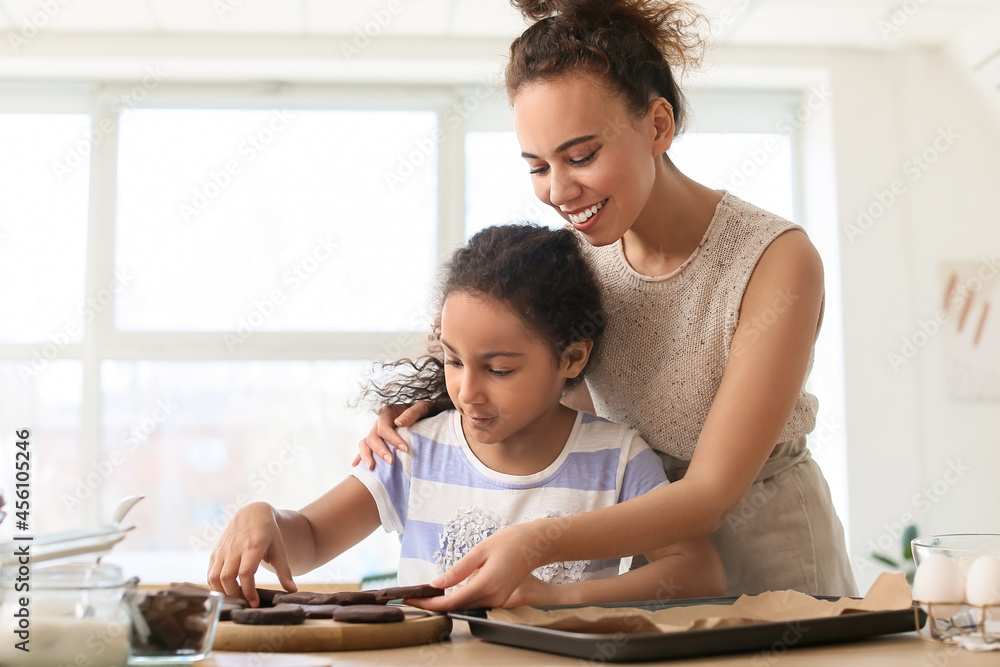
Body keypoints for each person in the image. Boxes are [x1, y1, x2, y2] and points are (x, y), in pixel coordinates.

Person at [358, 0, 857, 611]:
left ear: (658, 125)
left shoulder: (774, 259)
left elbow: (711, 493)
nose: (559, 191)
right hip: (648, 550)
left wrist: (535, 542)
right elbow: (515, 375)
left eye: (582, 156)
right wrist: (422, 408)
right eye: (538, 166)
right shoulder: (577, 258)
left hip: (771, 550)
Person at [208, 224, 725, 607]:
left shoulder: (617, 458)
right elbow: (311, 541)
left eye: (498, 369)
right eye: (453, 360)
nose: (466, 392)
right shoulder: (413, 449)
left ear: (571, 358)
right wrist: (265, 517)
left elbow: (698, 575)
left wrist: (556, 598)